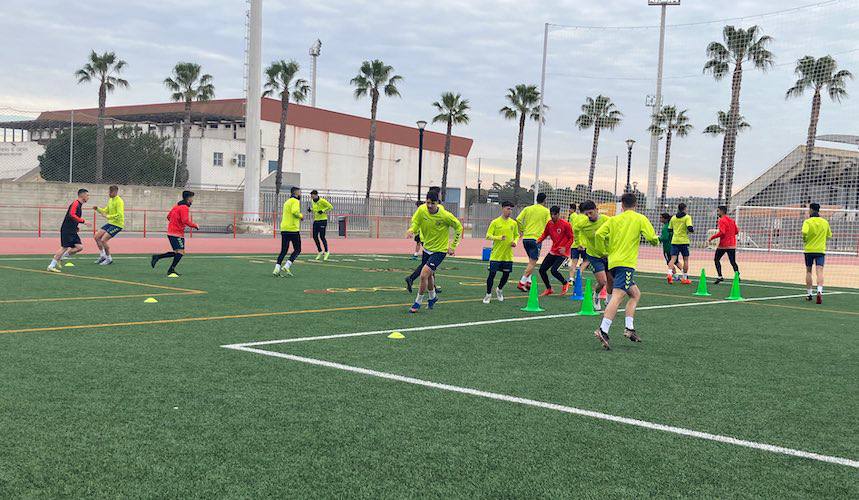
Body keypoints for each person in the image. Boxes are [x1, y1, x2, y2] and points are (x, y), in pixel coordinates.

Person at [592, 192, 659, 350]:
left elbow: (599, 234)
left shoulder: (614, 219)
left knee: (635, 294)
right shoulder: (640, 218)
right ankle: (603, 329)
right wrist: (656, 240)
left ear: (622, 205)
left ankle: (629, 328)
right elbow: (651, 238)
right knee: (618, 296)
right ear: (636, 205)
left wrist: (604, 251)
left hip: (613, 262)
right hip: (626, 264)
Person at [406, 191, 462, 313]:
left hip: (440, 251)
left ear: (437, 203)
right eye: (428, 202)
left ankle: (417, 302)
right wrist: (412, 230)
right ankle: (432, 297)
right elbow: (416, 222)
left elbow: (459, 227)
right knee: (429, 275)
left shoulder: (445, 215)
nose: (429, 205)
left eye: (432, 203)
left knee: (423, 274)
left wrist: (453, 246)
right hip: (427, 248)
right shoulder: (421, 210)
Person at [573, 200, 612, 311]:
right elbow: (575, 230)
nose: (589, 216)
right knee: (602, 281)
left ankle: (609, 301)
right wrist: (578, 242)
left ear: (597, 210)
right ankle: (596, 295)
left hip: (608, 255)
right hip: (594, 256)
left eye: (591, 213)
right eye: (586, 214)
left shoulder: (607, 220)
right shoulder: (583, 224)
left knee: (611, 281)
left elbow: (617, 230)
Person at [151, 191, 199, 277]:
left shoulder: (177, 206)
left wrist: (175, 223)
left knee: (178, 252)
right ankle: (171, 270)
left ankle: (157, 257)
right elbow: (185, 220)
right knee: (180, 252)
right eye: (192, 198)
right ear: (188, 198)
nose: (193, 200)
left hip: (171, 232)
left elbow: (168, 217)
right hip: (177, 233)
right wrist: (195, 225)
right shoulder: (184, 207)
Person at [405, 187, 443, 294]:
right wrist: (413, 229)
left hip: (429, 238)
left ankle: (412, 279)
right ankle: (415, 280)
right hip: (427, 239)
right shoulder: (427, 207)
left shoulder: (436, 206)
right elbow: (416, 220)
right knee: (429, 264)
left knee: (427, 264)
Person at [483, 201, 518, 303]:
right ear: (502, 209)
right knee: (492, 274)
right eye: (508, 209)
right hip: (496, 255)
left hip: (508, 255)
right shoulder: (495, 222)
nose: (510, 211)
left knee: (506, 275)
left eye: (511, 209)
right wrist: (498, 237)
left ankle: (499, 289)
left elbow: (516, 235)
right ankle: (488, 294)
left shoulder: (513, 223)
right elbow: (488, 235)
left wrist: (515, 242)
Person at [48, 188, 90, 272]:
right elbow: (71, 214)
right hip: (67, 229)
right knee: (64, 247)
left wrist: (76, 227)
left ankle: (61, 258)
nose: (88, 197)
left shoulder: (79, 205)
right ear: (82, 195)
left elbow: (73, 217)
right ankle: (51, 265)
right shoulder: (76, 203)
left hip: (72, 230)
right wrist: (83, 221)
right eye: (87, 195)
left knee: (79, 247)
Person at [516, 192, 551, 291]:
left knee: (531, 261)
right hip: (536, 239)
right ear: (545, 200)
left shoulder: (527, 209)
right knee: (533, 262)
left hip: (526, 238)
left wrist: (522, 230)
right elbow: (549, 223)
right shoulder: (545, 211)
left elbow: (518, 219)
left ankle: (528, 281)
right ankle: (522, 282)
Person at [537, 206, 573, 296]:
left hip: (562, 253)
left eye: (554, 214)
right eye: (551, 214)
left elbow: (571, 238)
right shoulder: (549, 223)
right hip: (553, 251)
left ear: (558, 214)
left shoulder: (565, 224)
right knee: (542, 270)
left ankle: (565, 283)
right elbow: (545, 234)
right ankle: (549, 289)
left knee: (554, 270)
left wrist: (565, 247)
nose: (553, 216)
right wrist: (538, 241)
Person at [802, 202, 832, 304]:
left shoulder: (807, 222)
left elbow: (804, 233)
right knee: (820, 271)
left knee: (809, 271)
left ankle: (809, 294)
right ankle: (819, 291)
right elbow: (829, 235)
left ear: (811, 210)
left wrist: (805, 239)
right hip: (820, 250)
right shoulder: (825, 222)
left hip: (809, 250)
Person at [273, 186, 303, 277]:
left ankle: (276, 268)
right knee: (298, 249)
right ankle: (287, 265)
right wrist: (301, 216)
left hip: (284, 229)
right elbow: (294, 212)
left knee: (284, 250)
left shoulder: (287, 202)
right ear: (295, 193)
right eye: (299, 192)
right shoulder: (295, 201)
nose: (300, 194)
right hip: (293, 229)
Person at [93, 185, 125, 265]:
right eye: (109, 191)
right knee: (96, 236)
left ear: (115, 192)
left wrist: (108, 216)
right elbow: (105, 210)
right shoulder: (111, 200)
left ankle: (109, 258)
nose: (109, 193)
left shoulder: (119, 201)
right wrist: (98, 209)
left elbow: (120, 215)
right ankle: (102, 256)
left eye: (110, 192)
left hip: (118, 225)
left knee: (103, 240)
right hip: (111, 223)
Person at [709, 205, 740, 284]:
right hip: (732, 245)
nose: (717, 212)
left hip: (723, 245)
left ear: (722, 211)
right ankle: (737, 276)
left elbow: (722, 232)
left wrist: (712, 237)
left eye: (718, 211)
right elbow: (736, 231)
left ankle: (720, 276)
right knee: (733, 261)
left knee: (716, 259)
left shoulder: (721, 220)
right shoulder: (731, 220)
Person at [667, 202, 694, 284]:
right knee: (685, 259)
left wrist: (676, 232)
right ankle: (685, 278)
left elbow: (669, 229)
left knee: (673, 259)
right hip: (684, 241)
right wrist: (691, 231)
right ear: (685, 209)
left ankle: (669, 274)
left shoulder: (673, 218)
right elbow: (690, 227)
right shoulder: (687, 217)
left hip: (675, 241)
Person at [307, 190, 333, 260]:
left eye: (312, 196)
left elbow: (331, 207)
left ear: (316, 195)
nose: (311, 197)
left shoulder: (322, 201)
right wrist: (311, 209)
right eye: (311, 196)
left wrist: (323, 210)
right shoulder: (312, 201)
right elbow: (316, 210)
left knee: (322, 237)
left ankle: (327, 251)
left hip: (323, 220)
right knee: (314, 236)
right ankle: (320, 251)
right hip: (316, 220)